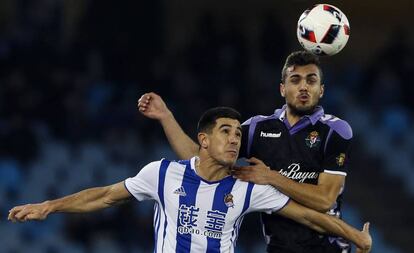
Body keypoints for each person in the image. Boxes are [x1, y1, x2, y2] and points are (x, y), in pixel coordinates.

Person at [8, 107, 371, 252]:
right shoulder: (161, 174)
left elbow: (308, 215)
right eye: (226, 132)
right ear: (204, 140)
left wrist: (355, 235)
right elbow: (103, 196)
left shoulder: (247, 186)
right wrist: (48, 206)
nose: (234, 139)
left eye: (237, 134)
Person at [138, 51, 354, 252]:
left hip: (329, 247)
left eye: (311, 80)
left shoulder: (335, 130)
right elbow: (202, 158)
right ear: (282, 88)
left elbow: (324, 200)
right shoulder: (258, 129)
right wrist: (166, 117)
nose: (304, 87)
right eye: (295, 80)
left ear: (322, 90)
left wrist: (271, 177)